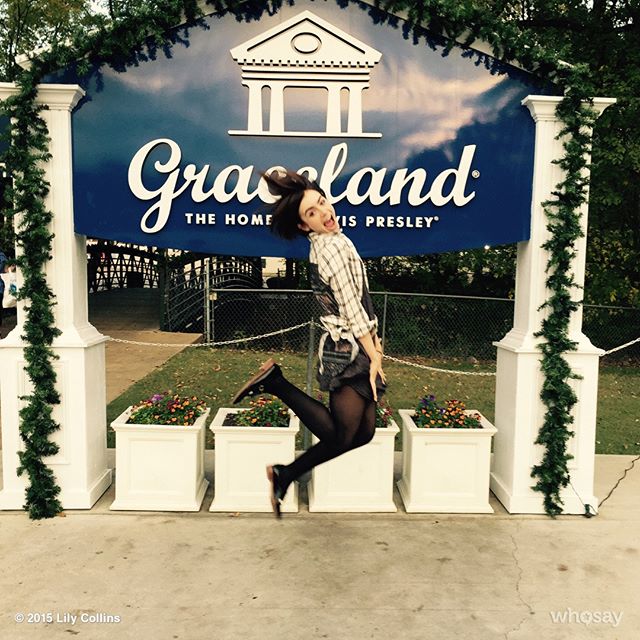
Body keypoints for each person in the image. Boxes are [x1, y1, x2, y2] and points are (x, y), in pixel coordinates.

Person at [232, 170, 387, 518]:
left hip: (357, 342)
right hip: (349, 350)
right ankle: (276, 385)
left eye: (321, 203)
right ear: (304, 225)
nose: (324, 212)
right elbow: (351, 305)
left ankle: (285, 473)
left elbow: (360, 299)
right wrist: (373, 352)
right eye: (312, 213)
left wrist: (375, 342)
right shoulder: (332, 248)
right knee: (345, 435)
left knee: (362, 434)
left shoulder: (333, 240)